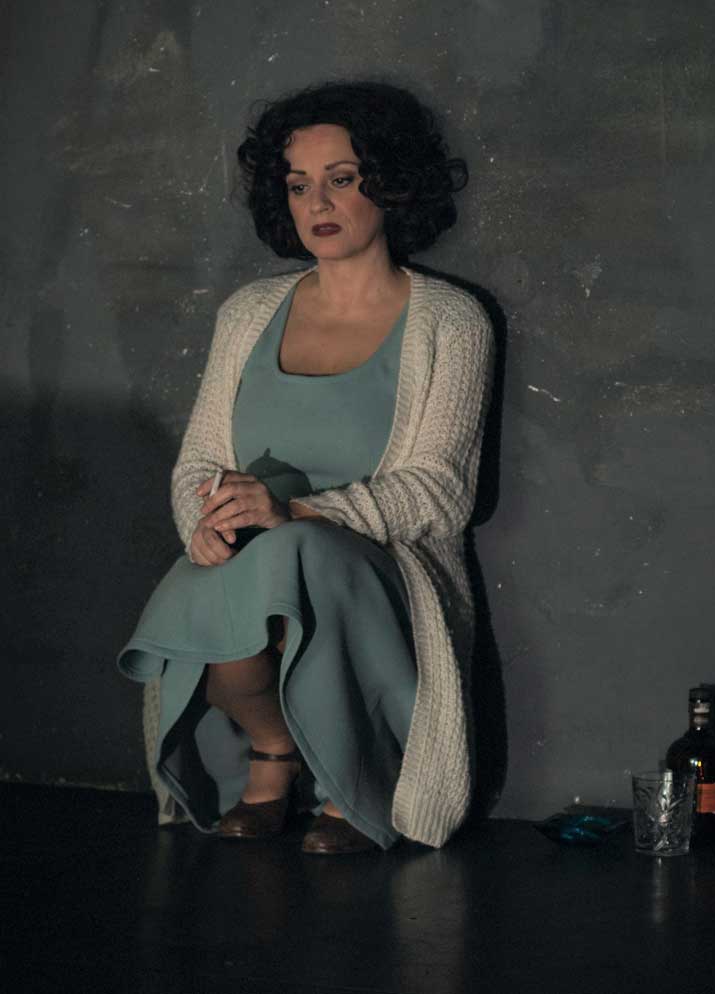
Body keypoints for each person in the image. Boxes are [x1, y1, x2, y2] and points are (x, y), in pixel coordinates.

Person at [117, 80, 494, 853]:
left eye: (342, 178)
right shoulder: (248, 313)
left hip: (382, 569)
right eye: (297, 185)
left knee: (295, 550)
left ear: (390, 184)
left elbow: (443, 493)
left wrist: (297, 513)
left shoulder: (450, 321)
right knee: (222, 573)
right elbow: (200, 461)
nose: (317, 202)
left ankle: (349, 785)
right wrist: (207, 522)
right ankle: (275, 746)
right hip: (258, 553)